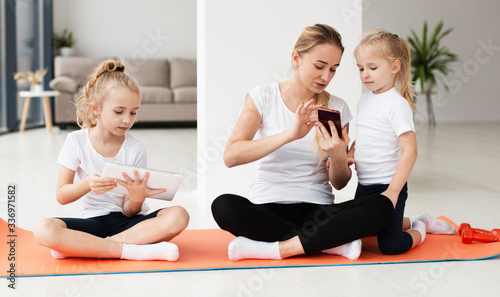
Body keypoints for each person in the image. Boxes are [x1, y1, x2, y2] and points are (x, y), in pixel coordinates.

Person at [211, 24, 395, 261]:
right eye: (319, 66)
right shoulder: (262, 97)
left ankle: (278, 248)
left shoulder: (337, 108)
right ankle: (326, 243)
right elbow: (231, 156)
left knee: (381, 206)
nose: (326, 77)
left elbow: (340, 184)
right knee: (223, 206)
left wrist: (338, 156)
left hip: (317, 211)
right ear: (296, 58)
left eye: (333, 69)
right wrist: (290, 134)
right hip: (267, 207)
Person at [34, 60, 189, 261]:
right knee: (44, 229)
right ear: (96, 108)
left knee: (179, 215)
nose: (127, 120)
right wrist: (87, 183)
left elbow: (129, 210)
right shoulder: (76, 141)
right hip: (93, 222)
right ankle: (132, 251)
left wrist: (137, 197)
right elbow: (62, 195)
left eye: (133, 112)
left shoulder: (135, 149)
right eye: (119, 111)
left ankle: (87, 247)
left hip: (130, 224)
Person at [350, 30, 455, 255]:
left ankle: (421, 225)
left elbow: (410, 152)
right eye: (361, 68)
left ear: (395, 67)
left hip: (388, 186)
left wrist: (393, 191)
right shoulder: (364, 100)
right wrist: (350, 153)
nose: (365, 74)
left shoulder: (396, 105)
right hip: (364, 186)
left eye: (372, 67)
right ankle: (408, 221)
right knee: (355, 237)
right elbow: (366, 134)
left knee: (390, 245)